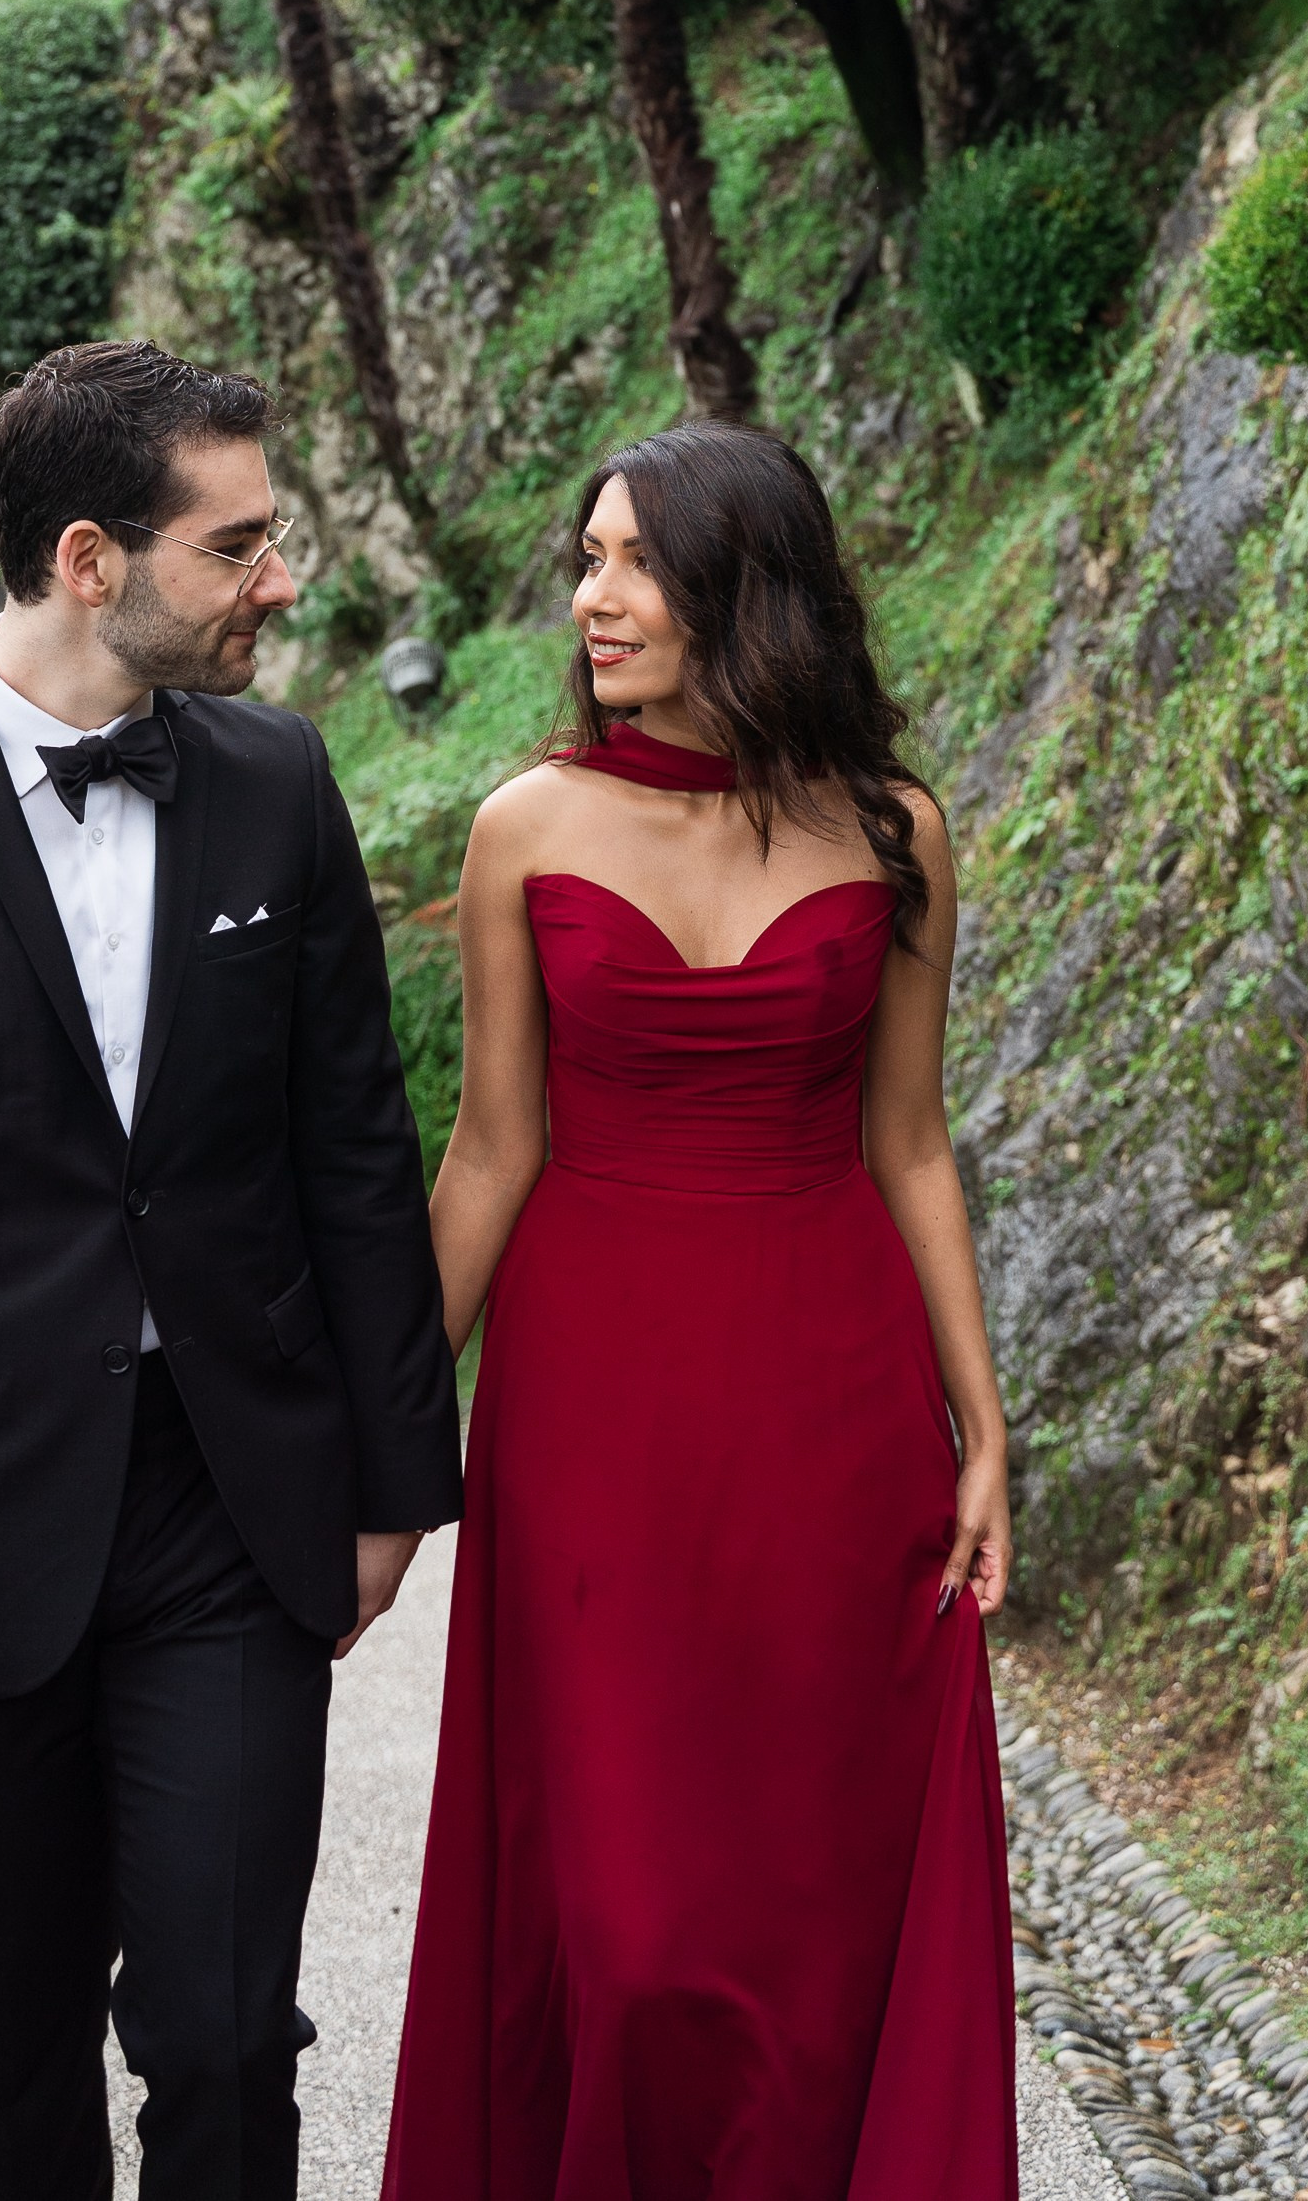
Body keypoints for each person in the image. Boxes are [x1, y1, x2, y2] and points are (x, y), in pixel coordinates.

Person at [0, 341, 461, 2201]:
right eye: (241, 545)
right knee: (20, 2014)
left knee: (224, 2026)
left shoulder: (282, 781)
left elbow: (353, 1148)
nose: (281, 582)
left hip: (234, 1505)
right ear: (87, 559)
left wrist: (392, 1483)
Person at [384, 419, 1018, 2198]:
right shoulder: (523, 826)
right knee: (634, 1923)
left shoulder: (896, 831)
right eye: (585, 559)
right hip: (593, 1410)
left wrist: (983, 1426)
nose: (592, 596)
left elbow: (911, 1143)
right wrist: (372, 1435)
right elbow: (494, 1150)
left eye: (634, 561)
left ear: (747, 585)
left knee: (808, 1899)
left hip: (832, 1403)